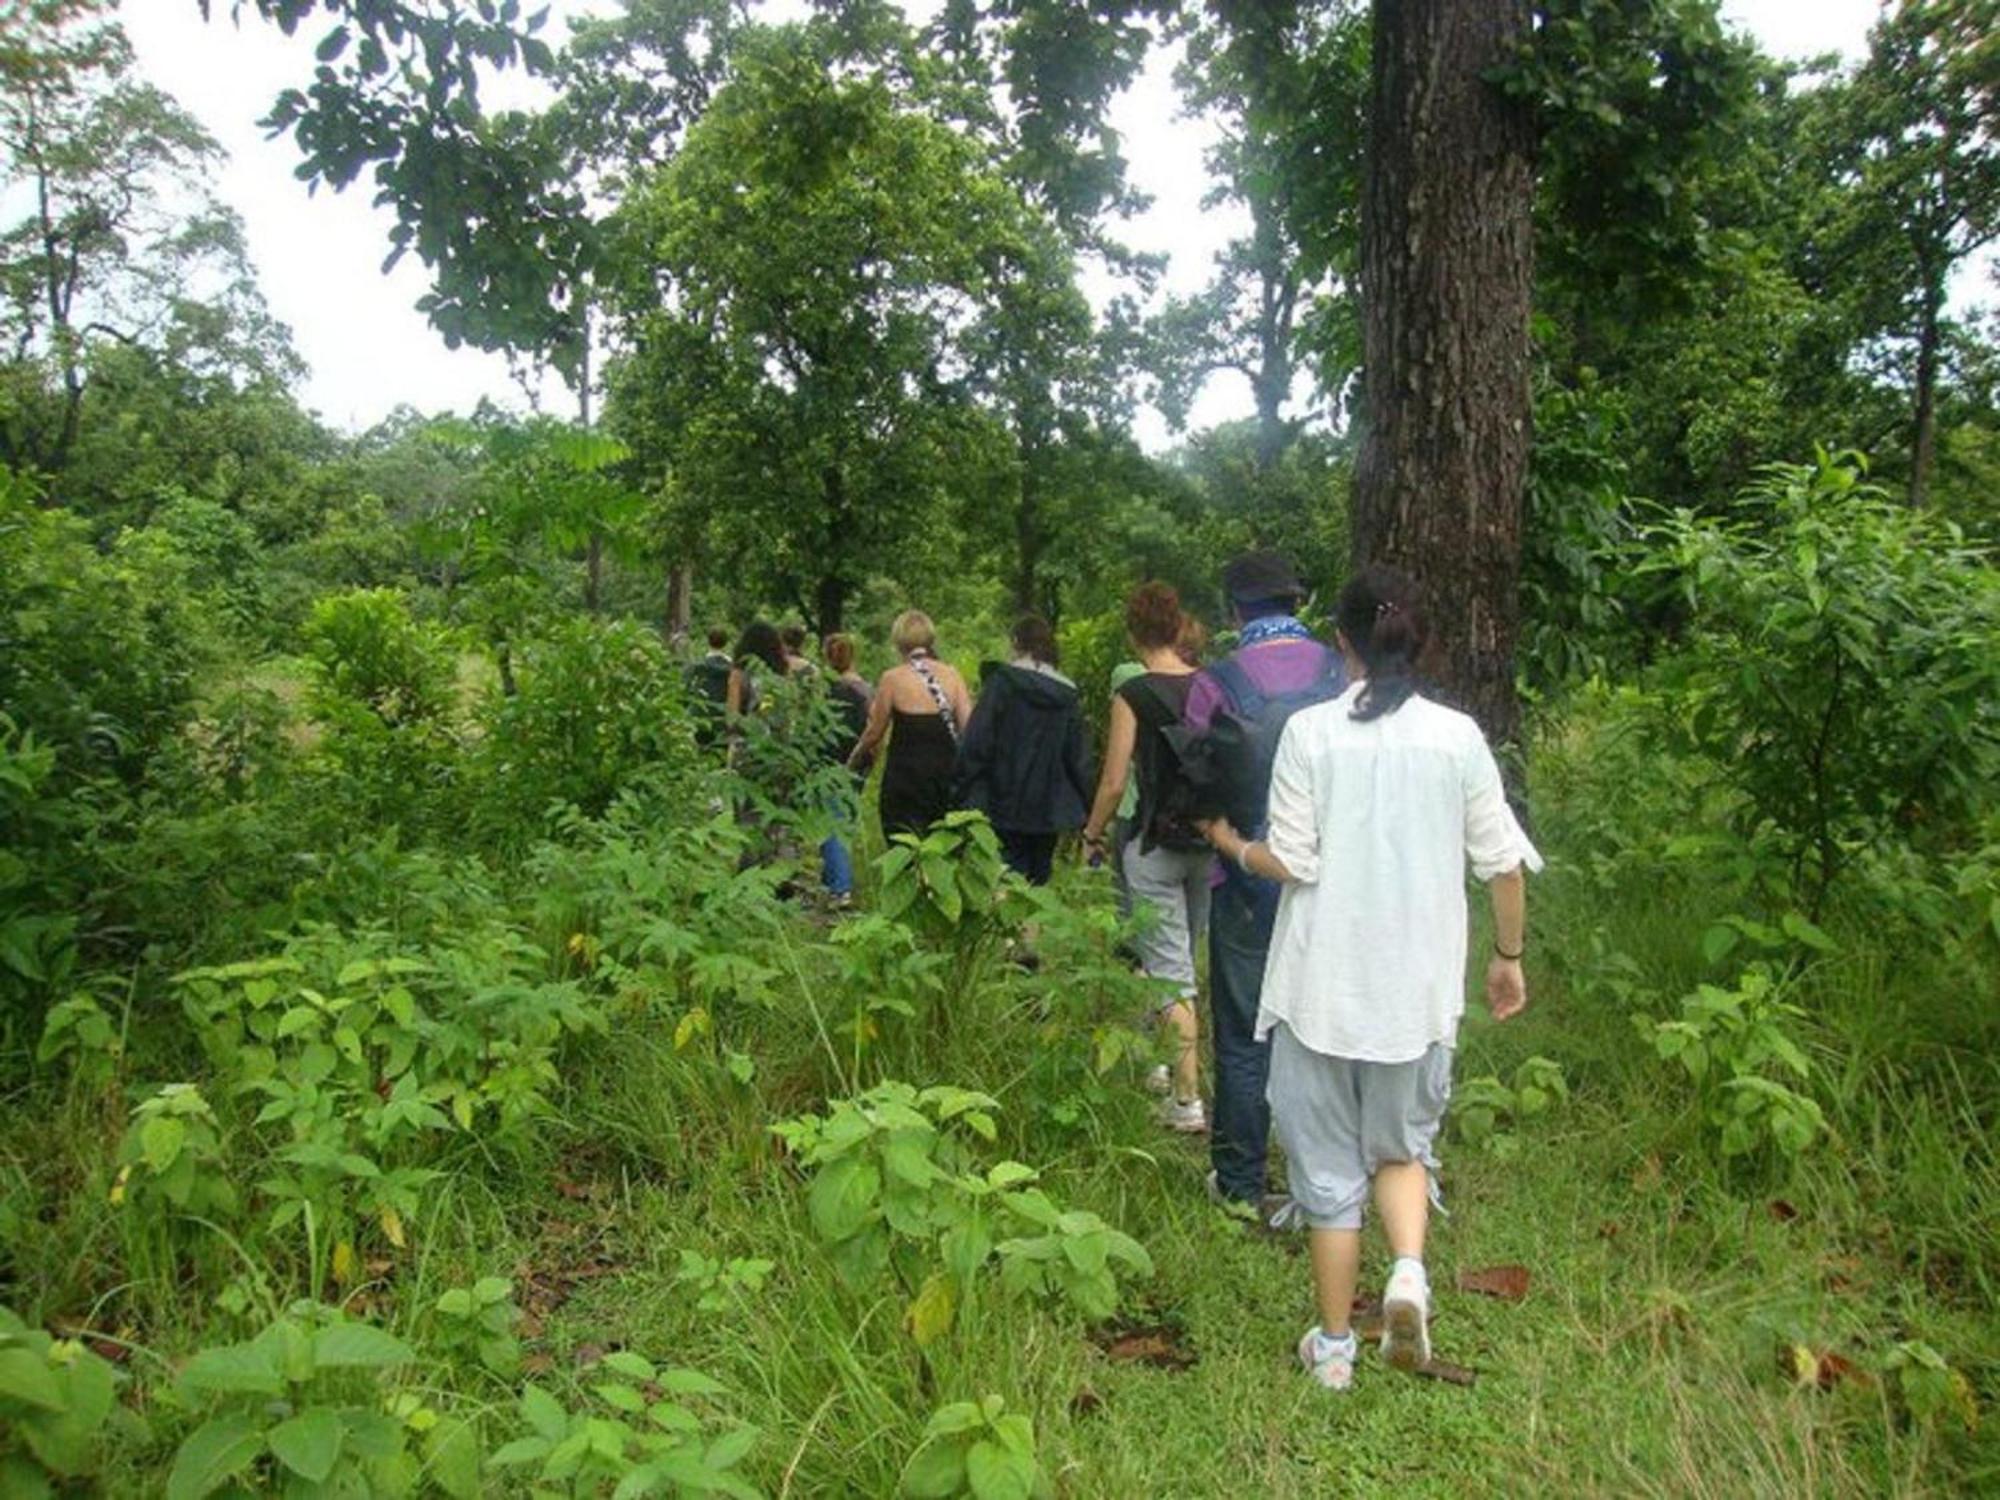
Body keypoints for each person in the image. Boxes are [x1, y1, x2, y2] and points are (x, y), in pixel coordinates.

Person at [1200, 565, 1540, 1392]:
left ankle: (1335, 1348)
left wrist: (1226, 842)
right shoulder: (1458, 737)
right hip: (1415, 993)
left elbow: (1292, 860)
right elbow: (1502, 864)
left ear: (1341, 642)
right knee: (1401, 1150)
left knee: (1326, 1178)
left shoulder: (1310, 734)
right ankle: (1409, 1275)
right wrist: (1507, 957)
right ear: (1417, 641)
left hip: (1320, 990)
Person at [1186, 550, 1346, 1220]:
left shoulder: (1215, 682)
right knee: (1331, 1029)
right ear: (1298, 603)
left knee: (1244, 1033)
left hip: (1246, 874)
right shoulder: (1343, 675)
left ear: (1233, 611)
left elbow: (1192, 784)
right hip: (1337, 878)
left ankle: (1241, 1184)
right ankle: (1332, 1181)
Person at [1082, 583, 1212, 1133]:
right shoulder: (1212, 686)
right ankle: (1158, 1066)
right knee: (1177, 957)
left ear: (1134, 632)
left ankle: (1185, 1101)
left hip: (1153, 844)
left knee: (1169, 973)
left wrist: (1091, 834)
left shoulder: (1132, 694)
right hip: (1209, 845)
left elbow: (1114, 782)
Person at [956, 615, 1093, 885]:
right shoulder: (1067, 696)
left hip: (1002, 801)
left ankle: (1012, 926)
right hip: (1048, 809)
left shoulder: (1002, 684)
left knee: (1006, 880)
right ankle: (1031, 928)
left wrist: (961, 790)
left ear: (1016, 643)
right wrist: (1088, 811)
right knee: (1038, 883)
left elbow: (977, 743)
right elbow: (1078, 759)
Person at [847, 610, 972, 842]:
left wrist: (854, 760)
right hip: (944, 775)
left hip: (904, 779)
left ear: (898, 640)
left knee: (903, 844)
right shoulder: (953, 676)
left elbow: (875, 732)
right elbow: (969, 728)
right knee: (943, 846)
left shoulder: (892, 679)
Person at [819, 634, 873, 906]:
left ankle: (840, 887)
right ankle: (831, 880)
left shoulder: (823, 690)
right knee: (846, 819)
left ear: (827, 657)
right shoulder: (866, 689)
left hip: (828, 763)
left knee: (831, 823)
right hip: (858, 763)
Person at [686, 627, 734, 750]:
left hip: (701, 718)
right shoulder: (733, 669)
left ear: (708, 641)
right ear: (726, 643)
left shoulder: (699, 666)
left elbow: (686, 690)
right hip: (724, 720)